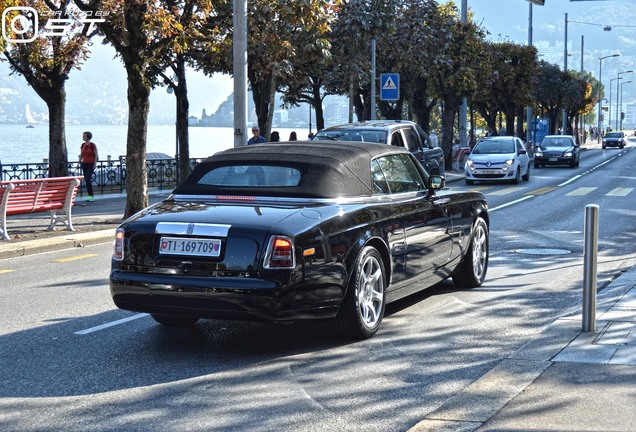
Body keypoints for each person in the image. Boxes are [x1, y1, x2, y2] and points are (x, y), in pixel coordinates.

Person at [79, 131, 99, 202]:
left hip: (91, 164)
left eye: (84, 136)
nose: (83, 137)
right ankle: (90, 196)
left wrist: (95, 164)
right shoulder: (83, 145)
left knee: (88, 179)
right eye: (83, 136)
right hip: (84, 164)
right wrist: (79, 162)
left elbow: (96, 154)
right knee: (87, 180)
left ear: (88, 137)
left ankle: (91, 196)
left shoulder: (92, 145)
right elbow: (81, 154)